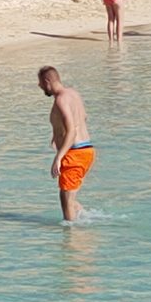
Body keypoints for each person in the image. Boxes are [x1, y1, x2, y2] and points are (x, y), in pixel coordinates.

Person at [40, 66, 94, 223]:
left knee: (66, 201)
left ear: (47, 81)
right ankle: (88, 219)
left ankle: (72, 235)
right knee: (69, 198)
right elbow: (83, 117)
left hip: (75, 154)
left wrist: (58, 157)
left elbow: (72, 132)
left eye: (40, 83)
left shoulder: (61, 100)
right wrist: (57, 135)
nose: (39, 86)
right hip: (86, 151)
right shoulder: (73, 94)